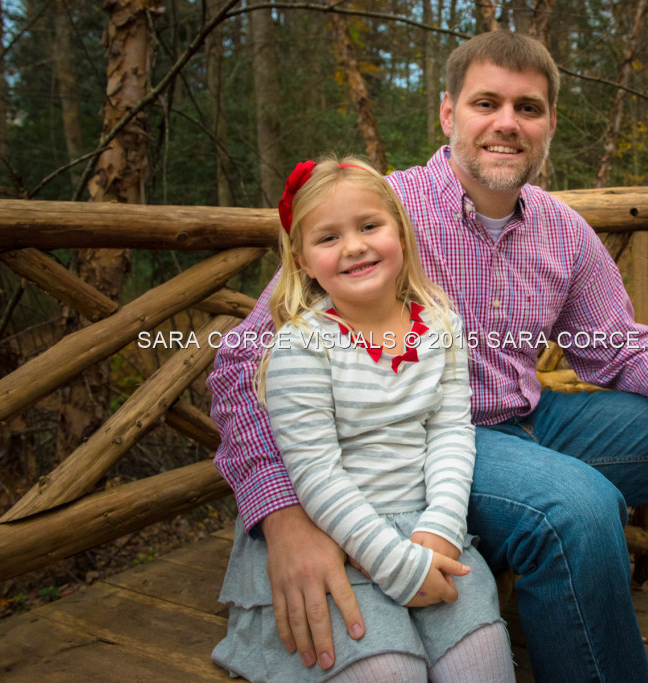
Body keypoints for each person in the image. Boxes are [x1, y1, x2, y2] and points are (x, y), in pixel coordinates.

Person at [210, 31, 648, 682]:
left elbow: (617, 343)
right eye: (487, 103)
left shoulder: (561, 229)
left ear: (550, 126)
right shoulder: (381, 216)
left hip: (533, 417)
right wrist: (282, 519)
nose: (507, 123)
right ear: (449, 114)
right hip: (430, 439)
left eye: (528, 108)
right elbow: (240, 364)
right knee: (580, 508)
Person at [211, 157, 515, 682]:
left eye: (369, 226)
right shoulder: (300, 348)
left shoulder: (441, 324)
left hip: (427, 525)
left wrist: (442, 527)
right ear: (302, 260)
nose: (353, 246)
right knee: (387, 673)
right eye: (328, 237)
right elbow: (315, 475)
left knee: (482, 662)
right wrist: (392, 564)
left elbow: (449, 432)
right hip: (342, 535)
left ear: (401, 230)